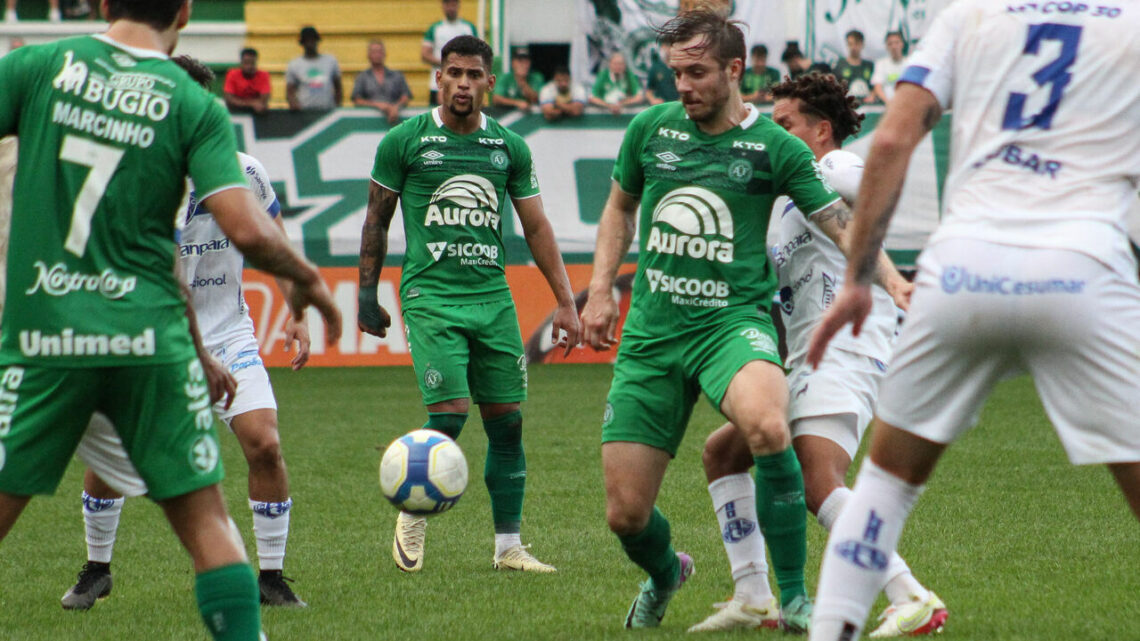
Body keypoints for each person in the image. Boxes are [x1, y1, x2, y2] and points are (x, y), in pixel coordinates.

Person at [0, 2, 341, 640]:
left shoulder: (38, 67)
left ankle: (273, 577)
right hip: (150, 336)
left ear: (103, 5)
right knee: (205, 518)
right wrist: (308, 282)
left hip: (48, 332)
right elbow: (243, 234)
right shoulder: (189, 107)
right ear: (185, 11)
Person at [807, 3, 1140, 640]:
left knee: (881, 489)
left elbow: (895, 140)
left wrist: (857, 281)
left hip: (961, 271)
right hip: (1083, 269)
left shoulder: (971, 13)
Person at [580, 11, 856, 630]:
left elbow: (840, 223)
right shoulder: (650, 129)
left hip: (732, 322)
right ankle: (665, 572)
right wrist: (599, 291)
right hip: (652, 336)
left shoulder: (775, 146)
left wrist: (891, 280)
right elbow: (619, 208)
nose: (682, 85)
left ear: (734, 70)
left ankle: (792, 599)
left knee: (766, 425)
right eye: (675, 72)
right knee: (625, 515)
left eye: (696, 72)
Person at [689, 72, 945, 637]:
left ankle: (911, 594)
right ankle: (754, 595)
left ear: (821, 130)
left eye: (786, 125)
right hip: (804, 358)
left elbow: (868, 177)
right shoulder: (786, 205)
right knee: (723, 455)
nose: (774, 136)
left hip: (848, 351)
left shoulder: (830, 167)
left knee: (817, 480)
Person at [58, 56, 311, 612]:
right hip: (149, 337)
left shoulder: (243, 170)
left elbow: (277, 238)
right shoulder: (136, 176)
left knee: (265, 444)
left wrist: (297, 310)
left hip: (228, 337)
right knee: (109, 457)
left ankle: (270, 579)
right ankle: (97, 568)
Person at [358, 35, 580, 576]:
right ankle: (414, 508)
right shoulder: (405, 140)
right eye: (453, 72)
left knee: (507, 421)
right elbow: (376, 219)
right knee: (451, 413)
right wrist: (368, 289)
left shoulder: (509, 147)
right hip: (431, 295)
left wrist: (567, 303)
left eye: (473, 74)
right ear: (439, 78)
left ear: (489, 82)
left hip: (492, 297)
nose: (462, 82)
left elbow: (536, 226)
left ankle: (508, 547)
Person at [421, 0, 477, 105]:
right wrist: (446, 63)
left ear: (458, 5)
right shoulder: (435, 28)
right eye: (447, 4)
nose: (451, 7)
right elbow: (425, 54)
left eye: (453, 4)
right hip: (437, 83)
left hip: (464, 83)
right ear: (442, 6)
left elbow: (478, 53)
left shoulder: (469, 28)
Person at [352, 39, 412, 125]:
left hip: (394, 121)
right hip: (368, 122)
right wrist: (378, 105)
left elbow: (405, 96)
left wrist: (395, 107)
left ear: (384, 54)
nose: (377, 55)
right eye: (374, 52)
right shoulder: (362, 77)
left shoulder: (397, 75)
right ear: (368, 55)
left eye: (379, 51)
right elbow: (357, 100)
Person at [286, 26, 343, 111]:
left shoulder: (330, 61)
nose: (310, 43)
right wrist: (294, 104)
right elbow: (290, 91)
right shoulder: (294, 64)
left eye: (312, 40)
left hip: (327, 110)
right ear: (302, 43)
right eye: (307, 40)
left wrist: (337, 106)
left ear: (317, 41)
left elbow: (338, 87)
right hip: (304, 112)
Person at [491, 46, 542, 111]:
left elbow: (537, 99)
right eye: (520, 61)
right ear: (513, 63)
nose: (524, 64)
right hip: (508, 115)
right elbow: (496, 99)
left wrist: (523, 83)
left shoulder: (536, 77)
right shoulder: (505, 78)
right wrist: (517, 103)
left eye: (526, 61)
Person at [832, 30, 875, 104]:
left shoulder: (870, 65)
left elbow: (876, 86)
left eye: (856, 44)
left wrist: (873, 95)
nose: (853, 47)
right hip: (846, 105)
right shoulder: (839, 65)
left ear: (862, 45)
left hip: (867, 105)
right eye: (850, 44)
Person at [224, 48, 271, 114]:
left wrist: (240, 101)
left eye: (252, 63)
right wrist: (252, 103)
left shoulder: (263, 75)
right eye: (246, 63)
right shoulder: (232, 74)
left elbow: (264, 100)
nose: (249, 66)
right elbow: (229, 99)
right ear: (241, 63)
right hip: (235, 112)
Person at [870, 31, 906, 105]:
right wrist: (888, 103)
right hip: (886, 106)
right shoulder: (881, 63)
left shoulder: (910, 63)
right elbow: (878, 87)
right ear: (886, 46)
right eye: (890, 44)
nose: (894, 46)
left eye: (896, 42)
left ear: (902, 44)